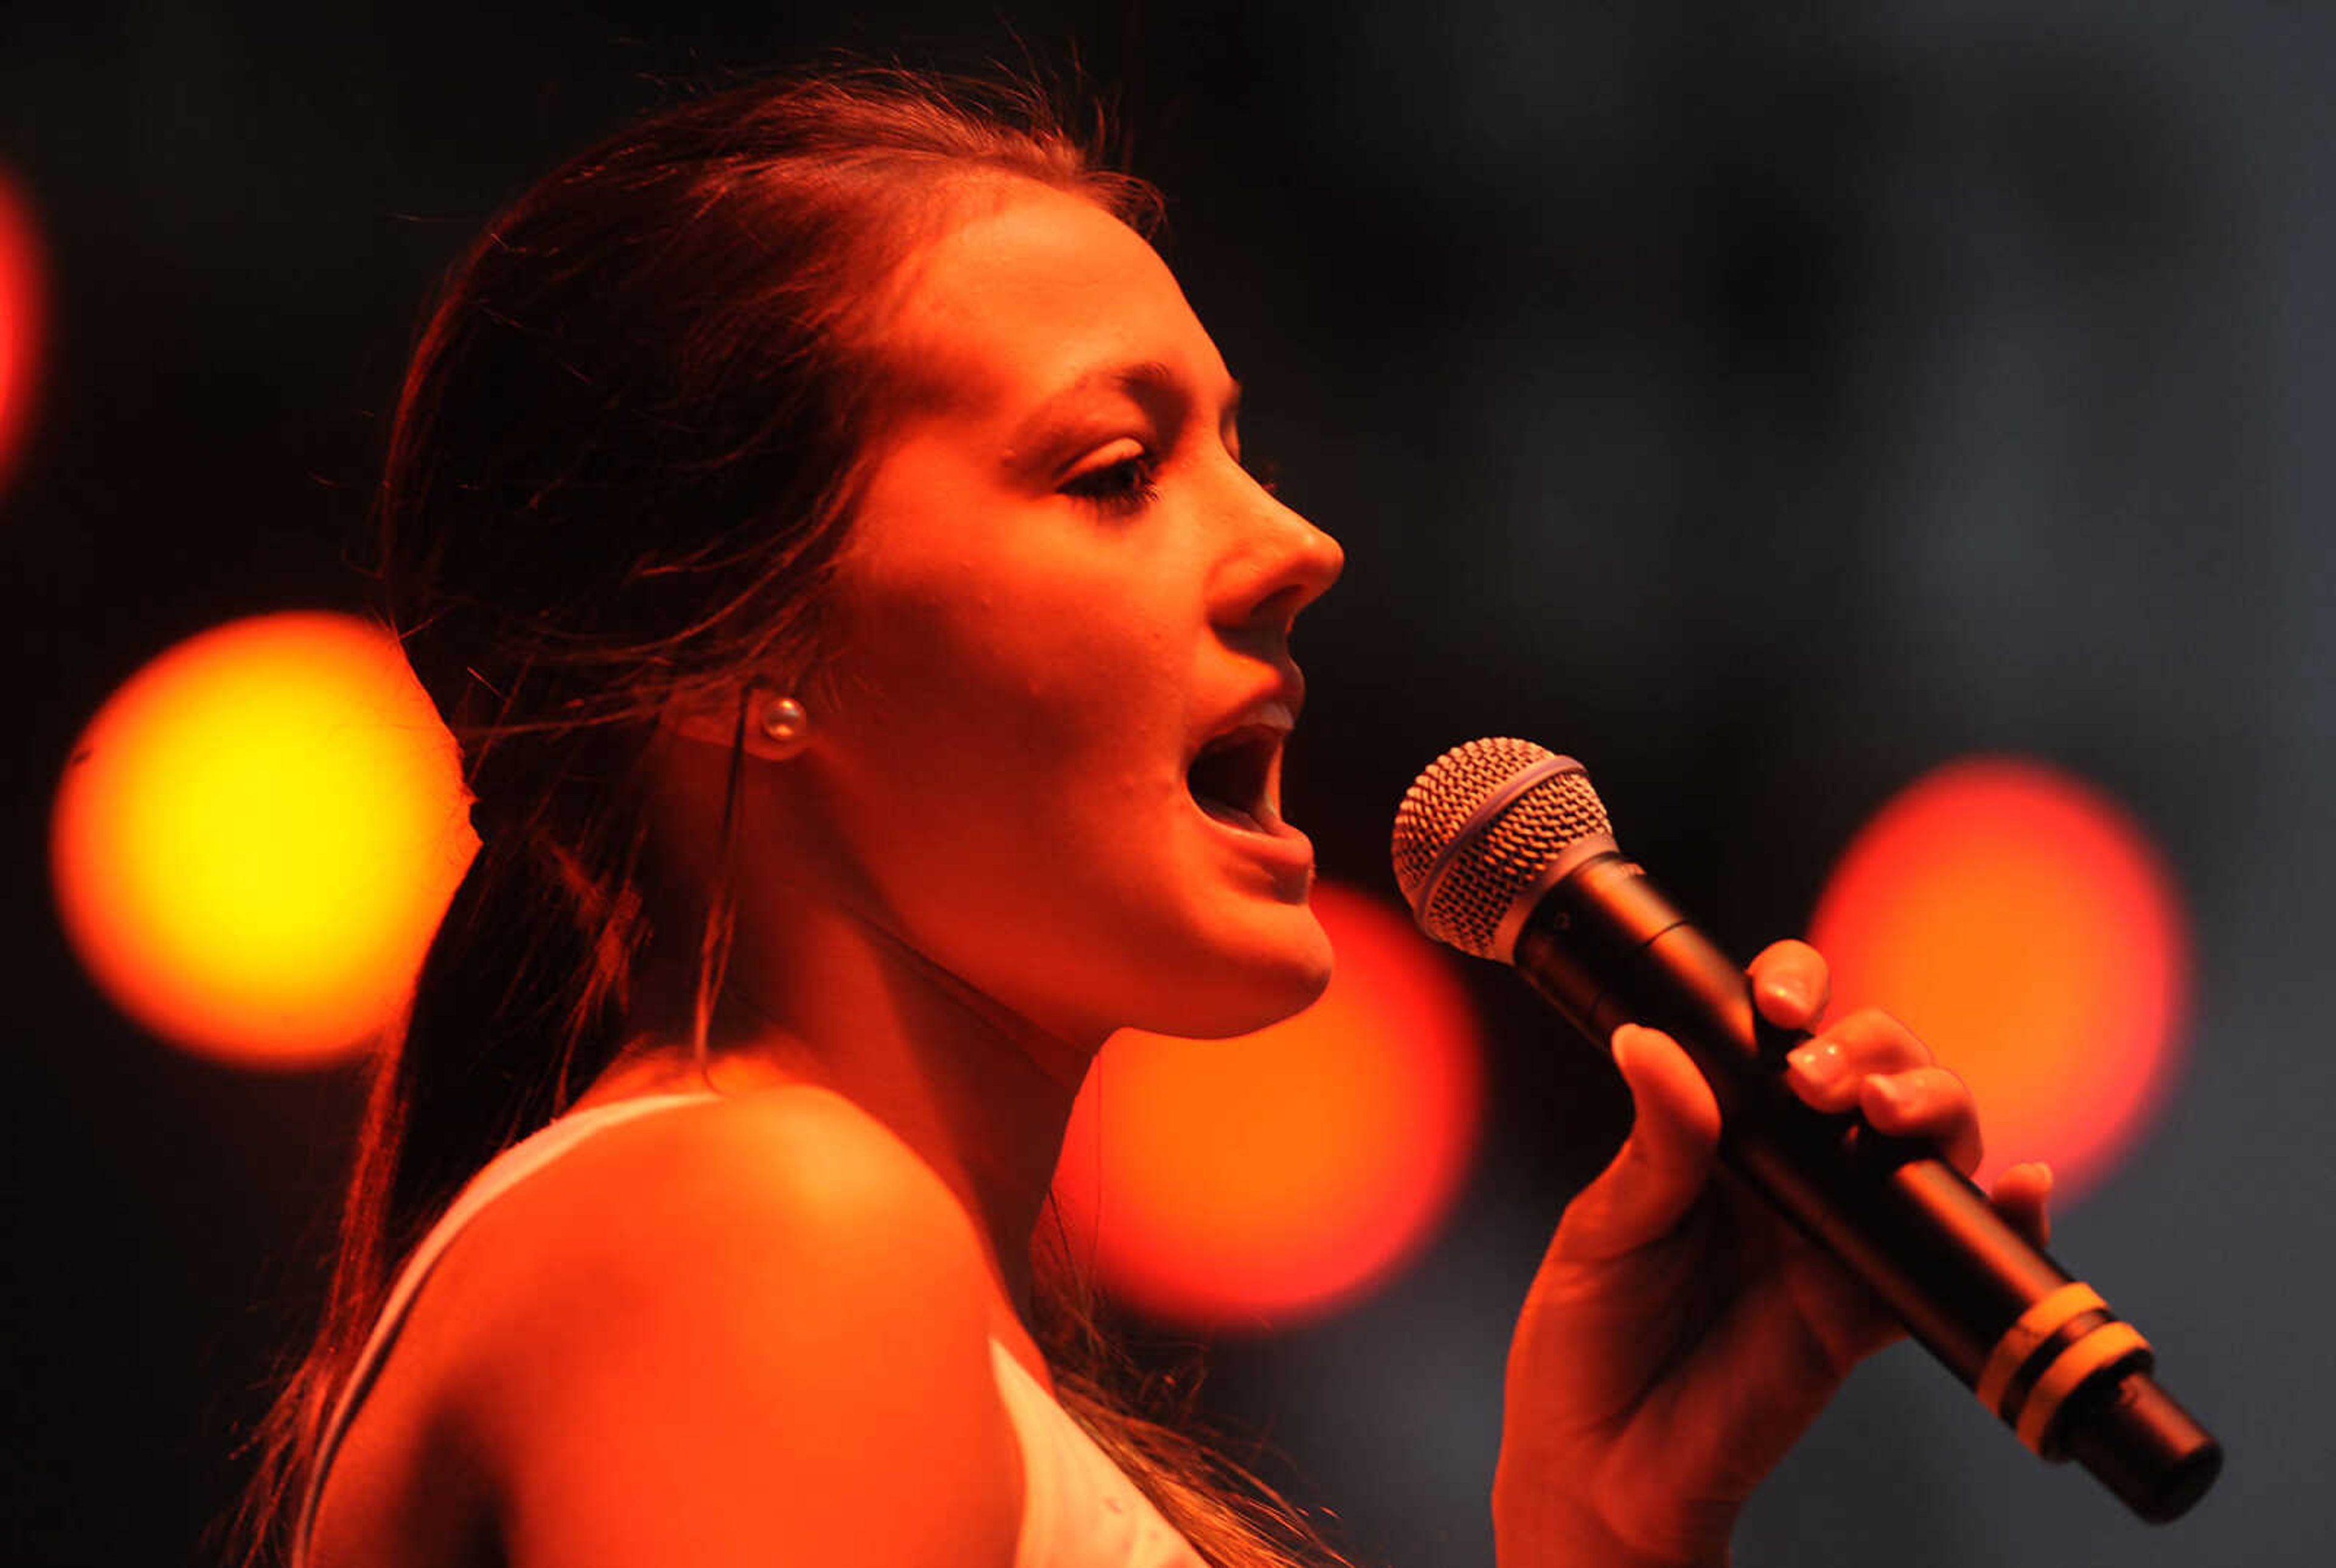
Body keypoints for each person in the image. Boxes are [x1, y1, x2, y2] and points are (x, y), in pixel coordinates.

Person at [231, 68, 2054, 1568]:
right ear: (730, 647)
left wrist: (1600, 1536)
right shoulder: (770, 1223)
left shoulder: (797, 1257)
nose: (1297, 545)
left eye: (1240, 450)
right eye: (1115, 471)